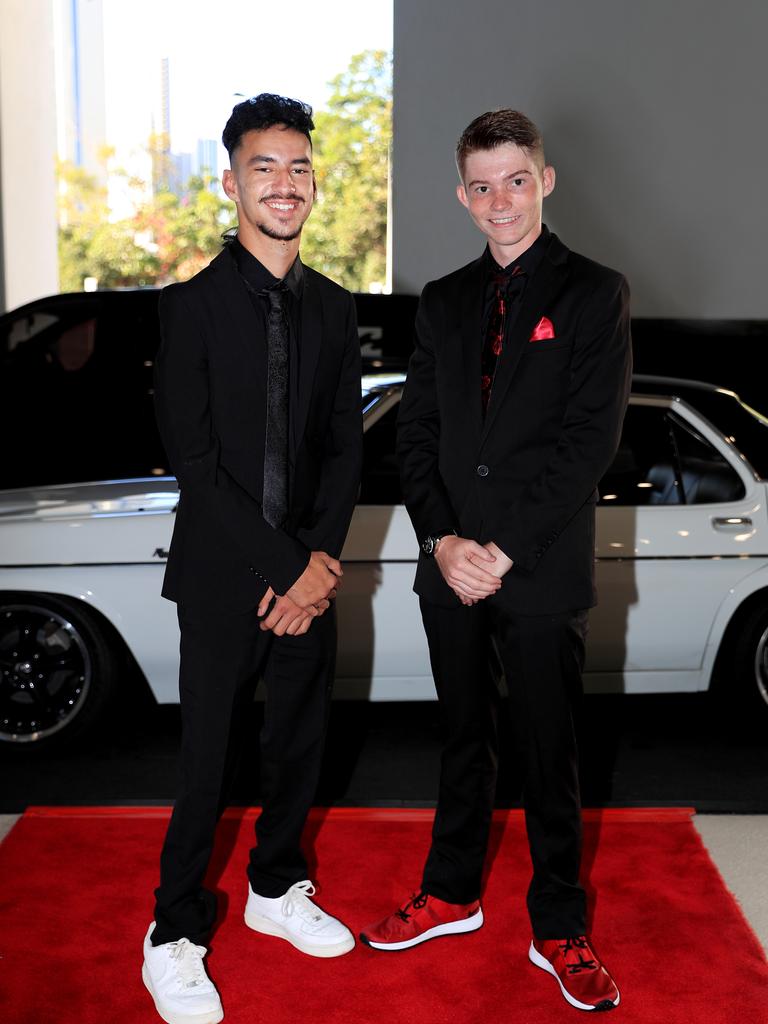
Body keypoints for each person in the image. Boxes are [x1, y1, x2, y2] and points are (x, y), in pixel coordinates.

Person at [360, 109, 631, 1013]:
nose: (499, 200)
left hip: (539, 567)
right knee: (460, 741)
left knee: (548, 752)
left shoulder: (594, 293)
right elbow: (419, 437)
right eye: (481, 184)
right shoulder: (440, 301)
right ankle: (452, 893)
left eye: (516, 179)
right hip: (451, 565)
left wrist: (502, 551)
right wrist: (442, 542)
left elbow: (586, 447)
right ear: (461, 195)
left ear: (546, 181)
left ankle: (559, 926)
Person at [142, 93, 362, 1024]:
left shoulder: (338, 309)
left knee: (300, 747)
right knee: (209, 761)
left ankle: (276, 889)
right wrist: (284, 567)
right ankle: (173, 934)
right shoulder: (188, 308)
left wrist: (316, 565)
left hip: (307, 574)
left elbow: (347, 451)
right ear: (231, 182)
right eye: (265, 166)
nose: (285, 183)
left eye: (299, 167)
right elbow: (196, 464)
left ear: (314, 184)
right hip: (226, 572)